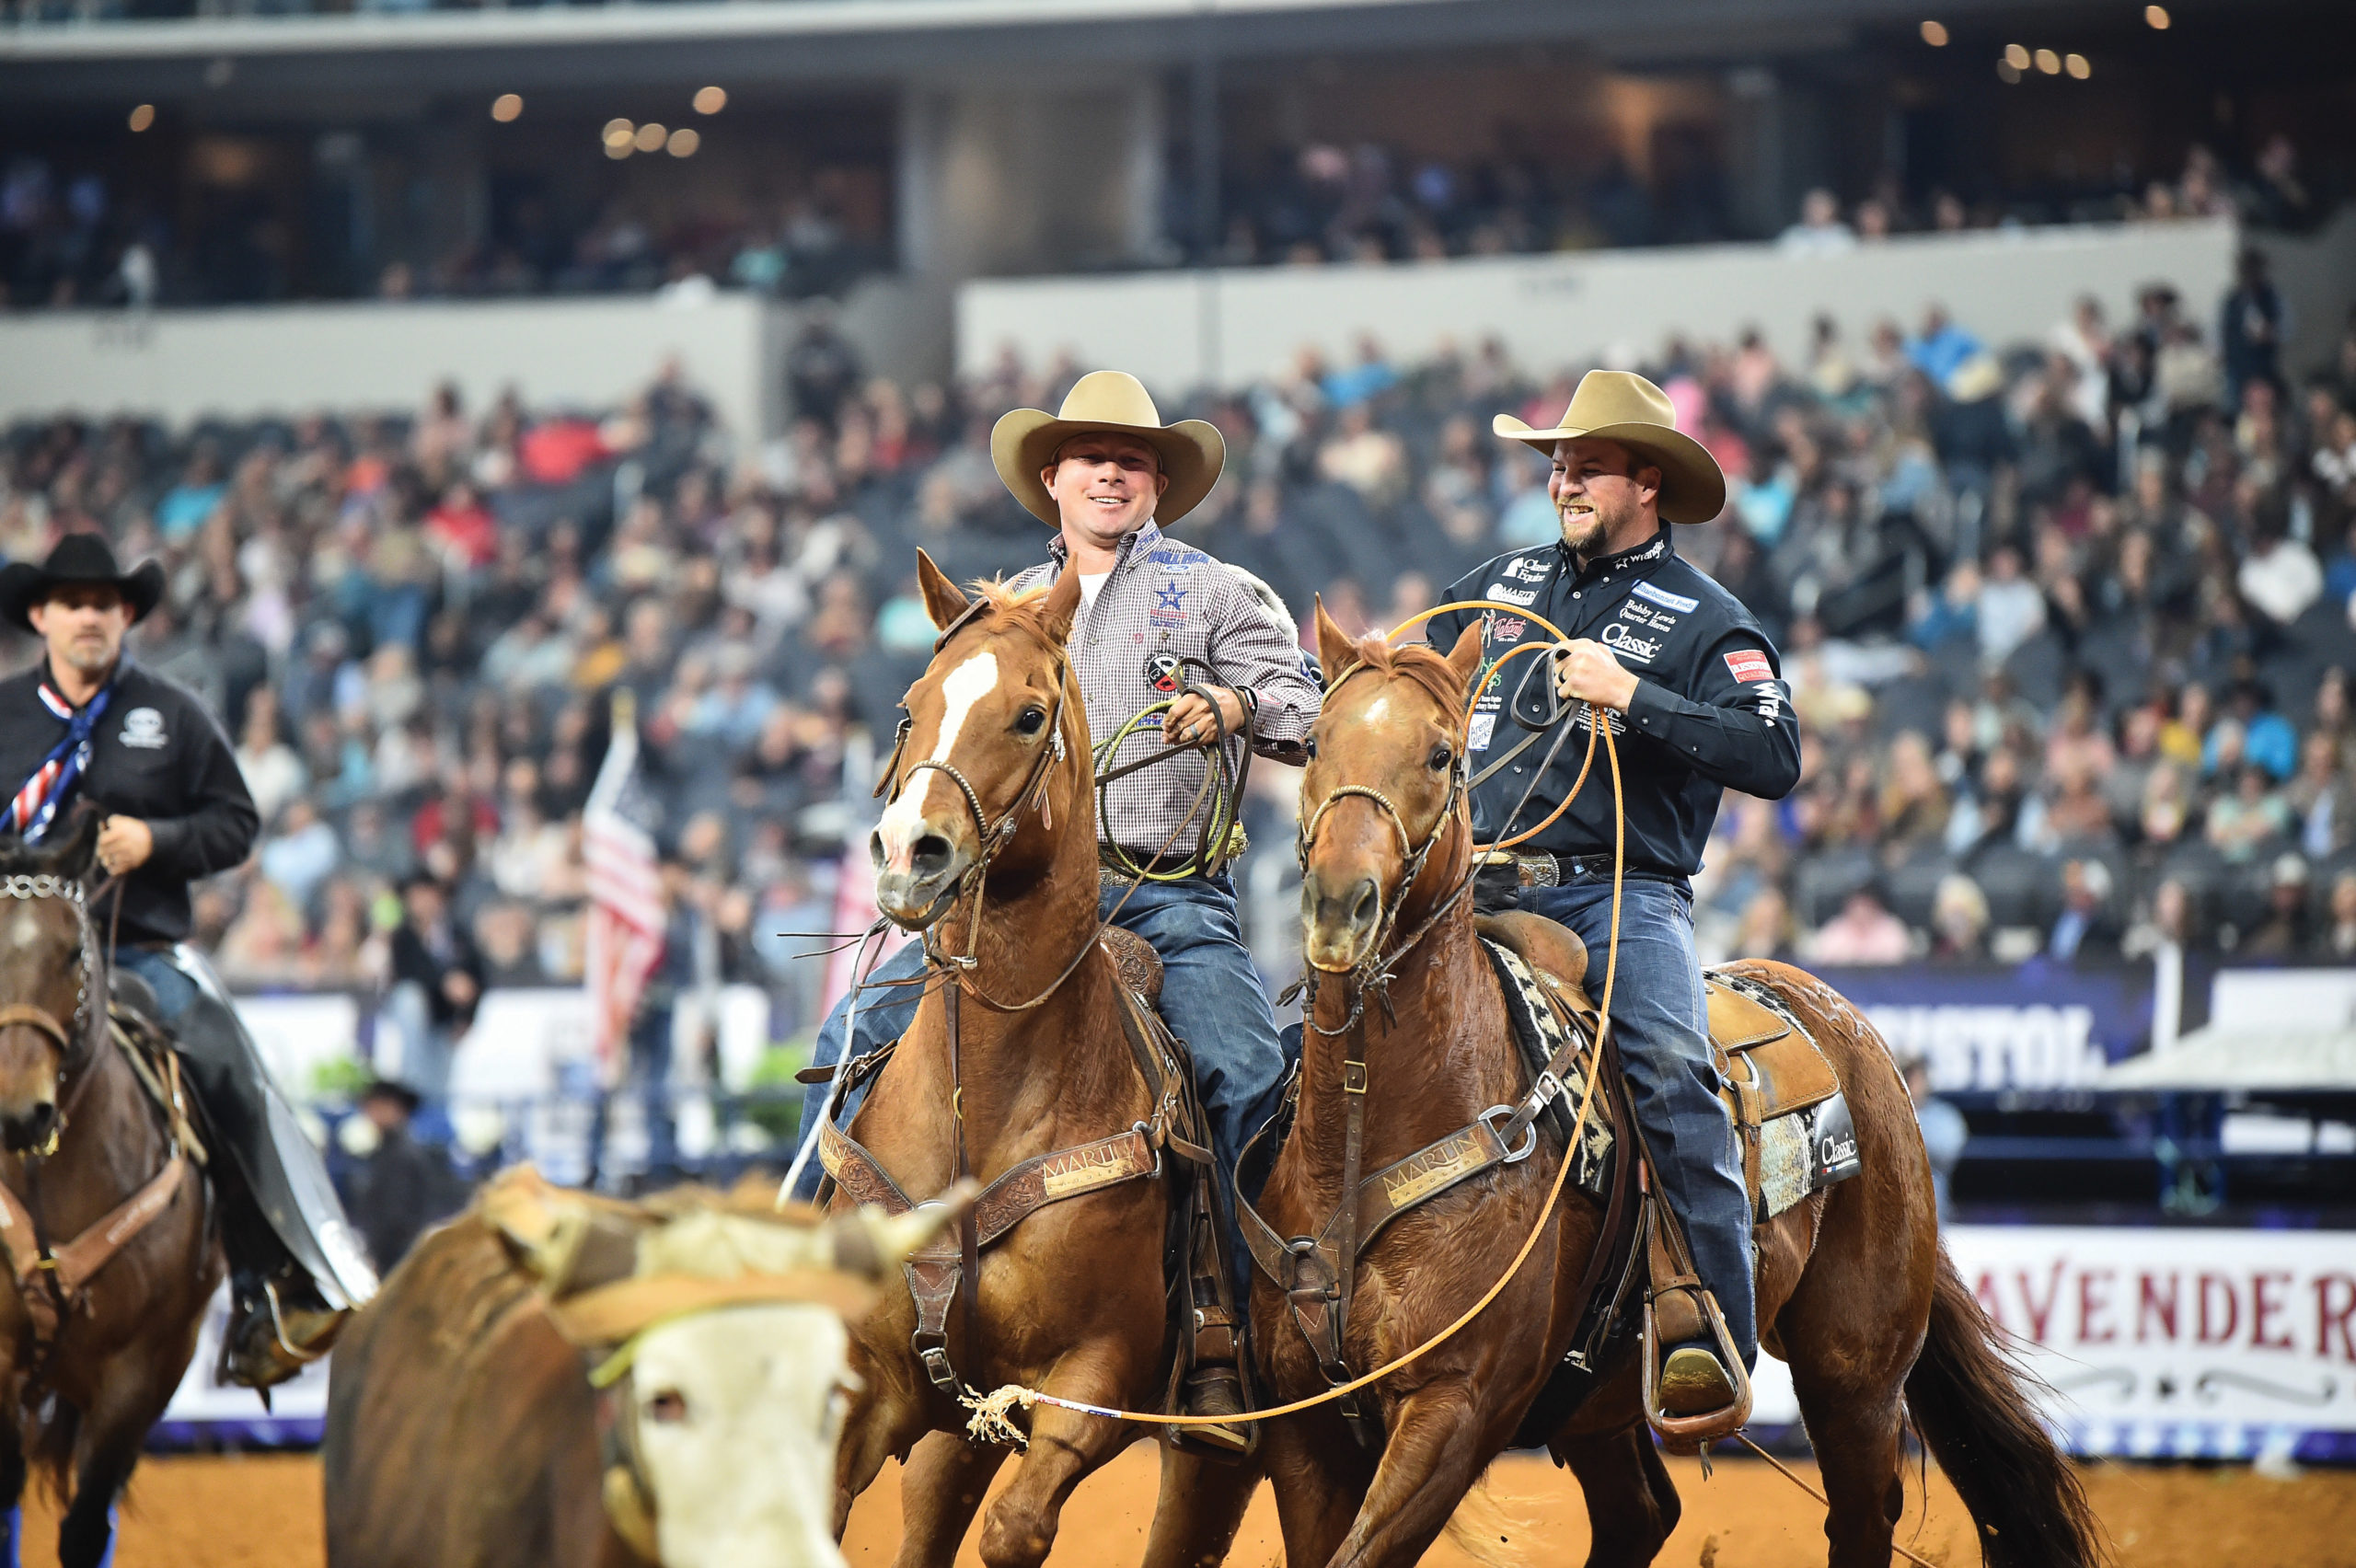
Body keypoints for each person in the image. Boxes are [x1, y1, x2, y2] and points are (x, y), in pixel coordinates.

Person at [791, 371, 1320, 1447]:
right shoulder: (999, 619)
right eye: (1090, 458)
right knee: (852, 1034)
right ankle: (813, 1296)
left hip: (1167, 895)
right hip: (1006, 903)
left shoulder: (1221, 593)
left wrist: (1229, 704)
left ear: (1158, 480)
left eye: (1130, 458)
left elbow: (1310, 708)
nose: (1110, 473)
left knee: (1242, 1069)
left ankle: (1228, 1332)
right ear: (1053, 480)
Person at [1427, 370, 1801, 1431]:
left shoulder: (1708, 620)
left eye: (1584, 463)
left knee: (1675, 1069)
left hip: (1616, 896)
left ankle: (1713, 1335)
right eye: (1554, 462)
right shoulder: (1491, 586)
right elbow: (1406, 683)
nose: (1561, 480)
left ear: (1648, 481)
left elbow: (1773, 751)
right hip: (1469, 885)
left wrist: (1635, 695)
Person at [0, 536, 376, 1388]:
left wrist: (158, 840)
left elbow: (235, 824)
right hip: (10, 963)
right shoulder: (2, 716)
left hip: (136, 954)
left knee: (227, 1064)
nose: (89, 615)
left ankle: (270, 1287)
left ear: (127, 615)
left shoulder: (174, 715)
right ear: (41, 616)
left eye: (106, 601)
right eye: (72, 601)